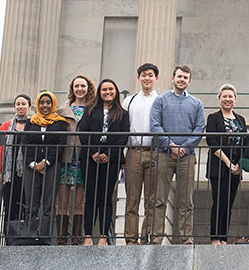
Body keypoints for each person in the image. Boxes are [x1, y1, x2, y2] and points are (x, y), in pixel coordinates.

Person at [148, 64, 205, 244]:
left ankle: (186, 239)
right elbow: (155, 125)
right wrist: (171, 145)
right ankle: (157, 237)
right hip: (164, 154)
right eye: (179, 76)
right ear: (173, 78)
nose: (181, 80)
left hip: (187, 157)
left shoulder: (196, 103)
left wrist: (184, 148)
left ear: (190, 81)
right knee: (159, 199)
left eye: (185, 77)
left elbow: (199, 128)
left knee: (186, 201)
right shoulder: (161, 100)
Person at [76, 79, 129, 245]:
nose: (107, 92)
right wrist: (93, 152)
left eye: (111, 89)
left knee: (105, 197)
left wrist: (108, 153)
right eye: (104, 89)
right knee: (90, 197)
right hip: (90, 159)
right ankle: (88, 236)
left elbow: (123, 137)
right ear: (99, 92)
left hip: (111, 160)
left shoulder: (123, 113)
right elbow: (82, 132)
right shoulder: (91, 110)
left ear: (116, 91)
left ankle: (104, 236)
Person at [21, 91, 73, 244]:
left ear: (53, 104)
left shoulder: (61, 122)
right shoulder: (31, 122)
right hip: (31, 167)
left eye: (48, 103)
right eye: (42, 102)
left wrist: (46, 162)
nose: (45, 105)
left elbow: (61, 143)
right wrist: (33, 164)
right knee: (31, 201)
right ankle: (30, 237)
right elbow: (25, 144)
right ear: (38, 104)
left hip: (52, 165)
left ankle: (44, 238)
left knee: (49, 203)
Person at [122, 62, 160, 245]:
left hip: (155, 152)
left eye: (150, 75)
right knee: (132, 198)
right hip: (134, 152)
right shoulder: (129, 100)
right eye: (143, 75)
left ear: (156, 78)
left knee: (152, 199)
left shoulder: (160, 100)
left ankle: (147, 237)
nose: (147, 78)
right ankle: (131, 239)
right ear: (138, 78)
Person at [205, 84, 246, 244]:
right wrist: (228, 163)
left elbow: (244, 144)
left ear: (235, 99)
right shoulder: (213, 118)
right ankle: (215, 238)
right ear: (219, 99)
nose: (227, 99)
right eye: (224, 96)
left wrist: (239, 165)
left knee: (229, 204)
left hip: (236, 168)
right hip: (219, 167)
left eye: (230, 96)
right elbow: (212, 141)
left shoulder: (240, 119)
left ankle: (224, 238)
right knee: (219, 202)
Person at [55, 73, 93, 244]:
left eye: (83, 86)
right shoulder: (62, 110)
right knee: (62, 201)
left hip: (83, 159)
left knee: (79, 201)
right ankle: (62, 237)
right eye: (77, 86)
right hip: (66, 157)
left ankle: (77, 237)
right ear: (72, 89)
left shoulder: (93, 109)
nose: (80, 89)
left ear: (88, 88)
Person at [0, 95, 33, 234]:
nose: (21, 106)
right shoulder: (6, 126)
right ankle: (9, 237)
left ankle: (23, 236)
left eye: (24, 104)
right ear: (15, 107)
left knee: (26, 204)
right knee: (10, 206)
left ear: (29, 107)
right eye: (18, 104)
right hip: (9, 173)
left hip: (27, 171)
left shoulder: (33, 124)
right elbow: (1, 150)